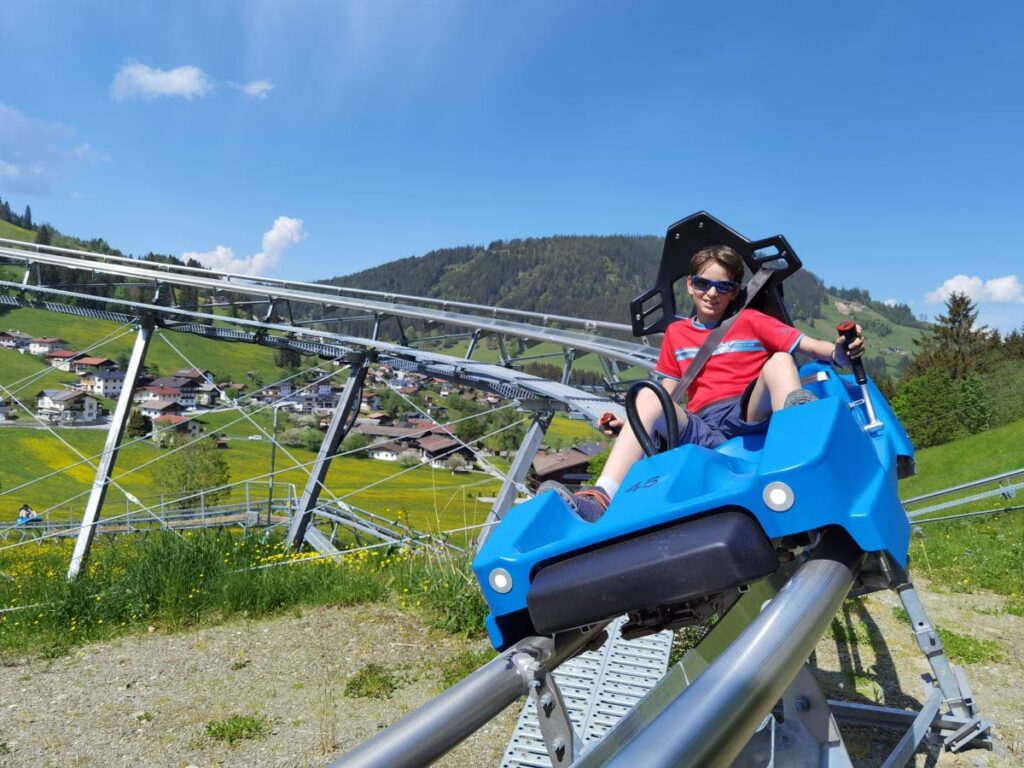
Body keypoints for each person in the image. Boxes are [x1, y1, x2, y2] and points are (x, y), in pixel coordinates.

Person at [569, 244, 866, 521]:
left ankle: (802, 454)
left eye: (723, 286)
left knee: (780, 361)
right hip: (703, 425)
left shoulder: (750, 320)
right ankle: (601, 498)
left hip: (746, 411)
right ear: (690, 284)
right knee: (647, 394)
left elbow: (814, 347)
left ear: (735, 291)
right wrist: (633, 424)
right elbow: (666, 395)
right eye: (703, 284)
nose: (712, 293)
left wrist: (841, 352)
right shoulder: (676, 334)